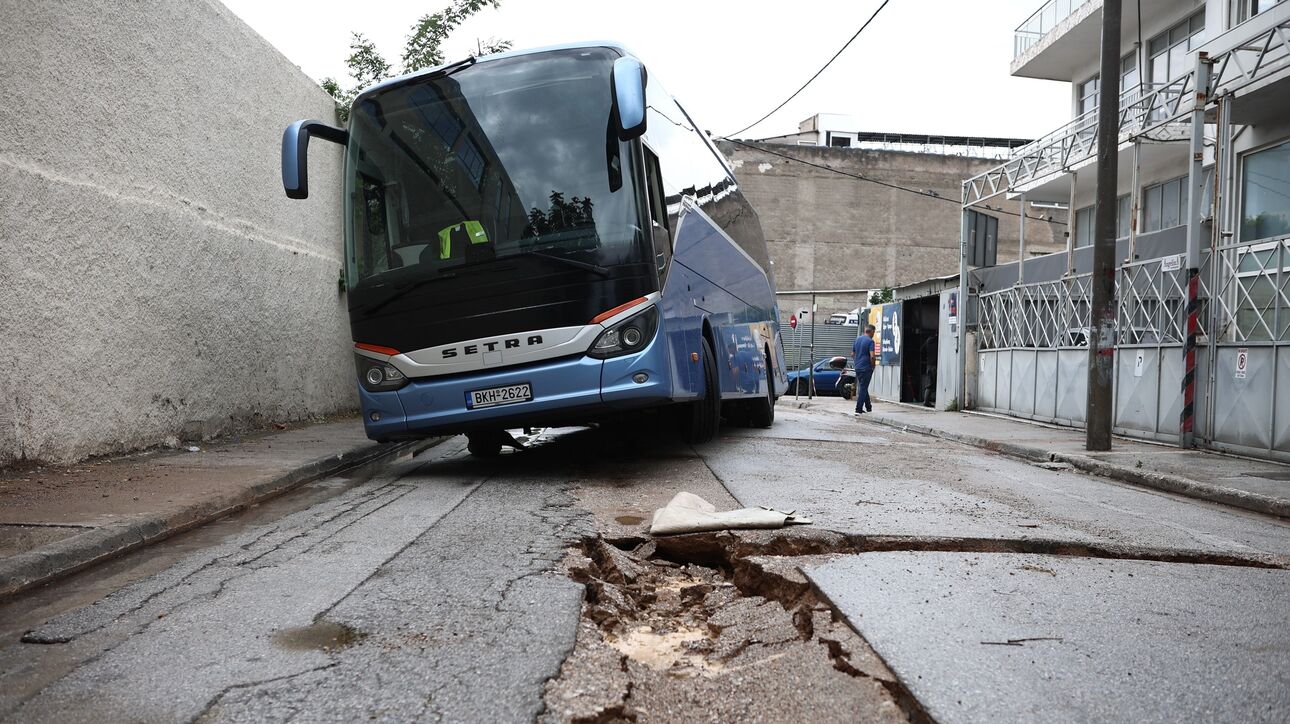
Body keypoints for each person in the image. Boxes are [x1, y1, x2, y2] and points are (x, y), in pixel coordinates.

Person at [852, 324, 876, 415]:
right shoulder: (870, 341)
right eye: (874, 332)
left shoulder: (857, 339)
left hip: (858, 367)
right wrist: (873, 366)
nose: (874, 334)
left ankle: (868, 407)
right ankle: (858, 409)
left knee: (863, 386)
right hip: (866, 368)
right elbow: (872, 356)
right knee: (863, 387)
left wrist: (857, 362)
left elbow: (852, 354)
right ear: (872, 332)